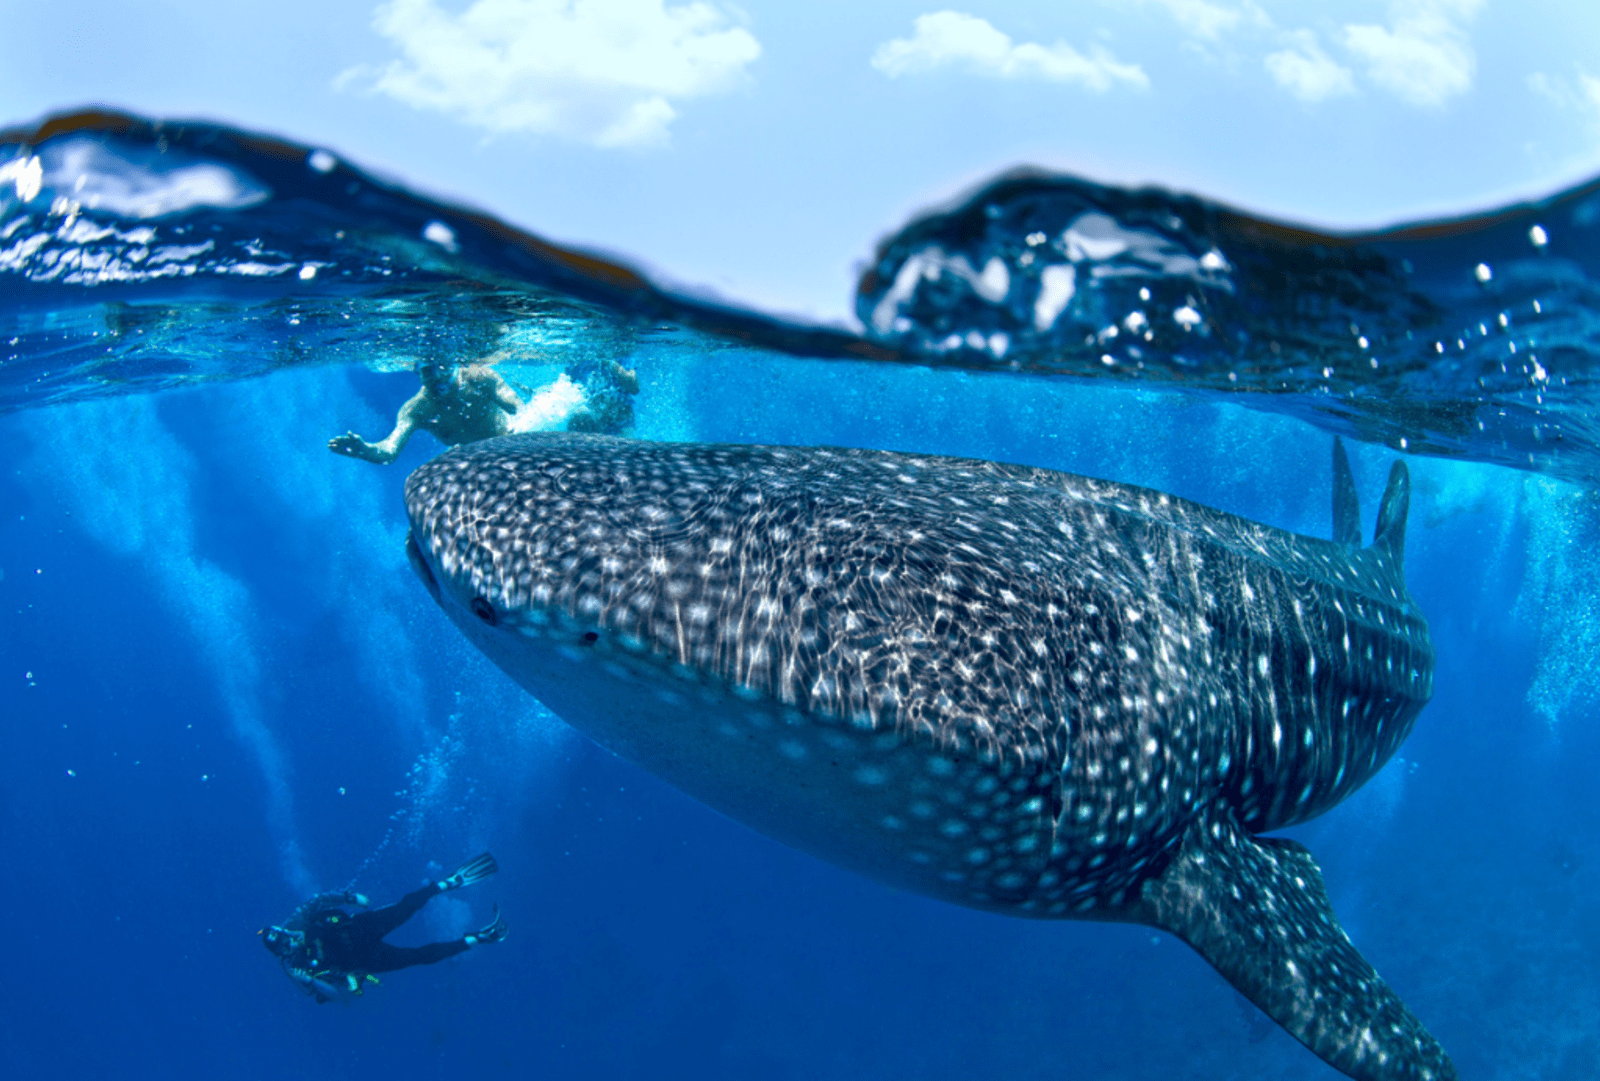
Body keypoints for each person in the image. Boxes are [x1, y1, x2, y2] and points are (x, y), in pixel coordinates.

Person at [261, 853, 506, 1003]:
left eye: (285, 938)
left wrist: (348, 897)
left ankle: (446, 884)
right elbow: (336, 996)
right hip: (365, 960)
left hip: (358, 928)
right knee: (416, 957)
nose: (289, 944)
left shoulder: (295, 923)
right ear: (281, 954)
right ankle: (475, 939)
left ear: (284, 931)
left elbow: (317, 900)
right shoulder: (296, 969)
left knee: (404, 907)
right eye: (283, 948)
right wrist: (311, 982)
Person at [328, 362, 524, 464]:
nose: (438, 377)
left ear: (457, 364)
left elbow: (519, 409)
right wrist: (366, 451)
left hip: (511, 447)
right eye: (428, 371)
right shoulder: (416, 409)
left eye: (443, 367)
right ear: (418, 374)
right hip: (472, 461)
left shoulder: (479, 377)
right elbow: (389, 451)